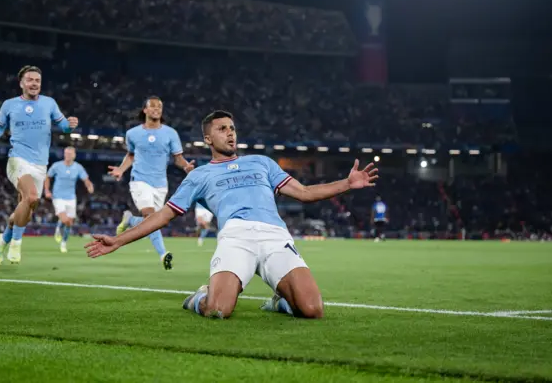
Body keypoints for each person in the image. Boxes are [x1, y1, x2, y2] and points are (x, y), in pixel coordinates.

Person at [85, 110, 378, 319]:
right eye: (222, 128)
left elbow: (304, 193)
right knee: (217, 310)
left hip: (275, 236)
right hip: (236, 239)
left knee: (313, 311)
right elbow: (163, 216)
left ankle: (279, 301)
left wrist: (347, 184)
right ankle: (199, 297)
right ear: (208, 139)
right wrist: (119, 240)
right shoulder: (199, 176)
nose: (230, 133)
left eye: (232, 128)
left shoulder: (261, 163)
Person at [0, 65, 78, 264]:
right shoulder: (10, 105)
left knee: (25, 211)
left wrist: (70, 125)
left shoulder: (49, 103)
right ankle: (16, 244)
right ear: (21, 83)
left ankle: (3, 240)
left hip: (40, 165)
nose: (34, 83)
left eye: (37, 80)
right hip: (18, 159)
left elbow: (62, 126)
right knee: (32, 196)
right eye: (30, 80)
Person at [108, 96, 194, 270]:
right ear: (145, 110)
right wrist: (120, 169)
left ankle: (130, 219)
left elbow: (178, 159)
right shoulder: (133, 134)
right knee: (150, 216)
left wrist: (186, 167)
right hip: (140, 180)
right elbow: (131, 155)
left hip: (161, 184)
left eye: (159, 106)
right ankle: (163, 254)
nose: (156, 109)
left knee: (156, 222)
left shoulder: (170, 133)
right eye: (152, 106)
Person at [44, 146, 94, 253]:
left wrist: (89, 186)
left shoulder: (78, 167)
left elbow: (86, 179)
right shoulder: (56, 166)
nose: (68, 156)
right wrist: (47, 190)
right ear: (64, 154)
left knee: (69, 223)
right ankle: (58, 228)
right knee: (65, 219)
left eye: (70, 154)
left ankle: (63, 243)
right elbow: (48, 177)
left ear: (74, 155)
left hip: (71, 198)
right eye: (66, 153)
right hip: (58, 197)